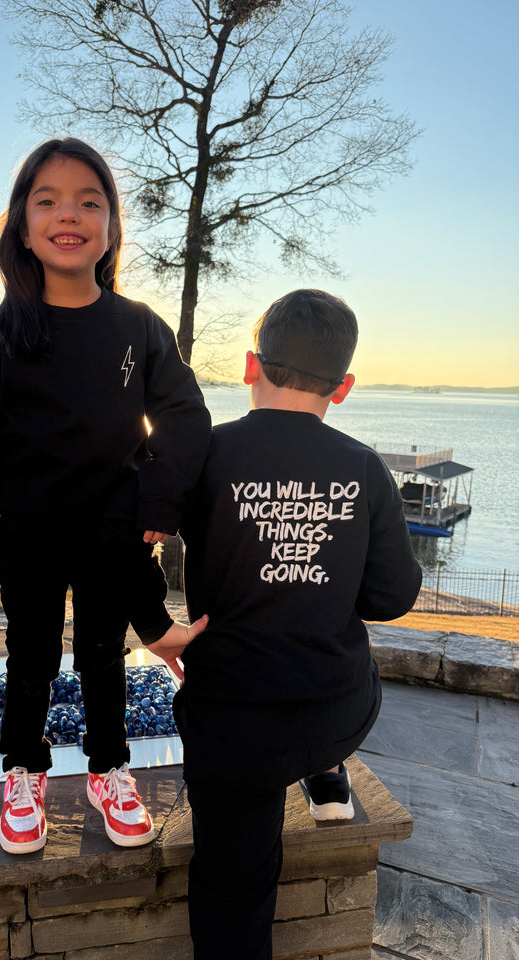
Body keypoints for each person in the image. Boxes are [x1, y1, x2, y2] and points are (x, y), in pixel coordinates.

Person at [0, 137, 211, 855]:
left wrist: (161, 502)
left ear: (113, 227)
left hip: (113, 531)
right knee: (29, 655)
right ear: (23, 227)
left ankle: (107, 769)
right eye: (49, 202)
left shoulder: (138, 327)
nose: (69, 215)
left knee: (102, 654)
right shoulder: (4, 330)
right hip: (30, 530)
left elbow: (184, 417)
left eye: (89, 202)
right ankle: (24, 770)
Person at [150, 289, 422, 959]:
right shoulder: (365, 467)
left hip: (231, 722)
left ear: (251, 365)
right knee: (336, 661)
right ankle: (324, 770)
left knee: (233, 890)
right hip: (334, 711)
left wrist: (153, 626)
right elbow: (391, 597)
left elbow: (125, 536)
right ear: (344, 387)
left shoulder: (206, 453)